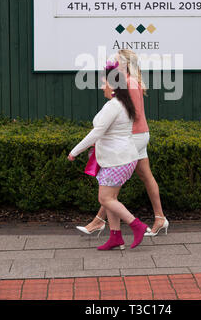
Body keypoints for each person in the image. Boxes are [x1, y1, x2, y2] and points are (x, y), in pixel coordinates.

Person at [76, 50, 168, 237]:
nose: (112, 61)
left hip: (133, 136)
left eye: (116, 60)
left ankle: (99, 222)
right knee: (145, 176)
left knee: (111, 181)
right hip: (139, 135)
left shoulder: (129, 82)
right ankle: (160, 218)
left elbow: (131, 114)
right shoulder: (130, 80)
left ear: (125, 64)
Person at [67, 61, 148, 250]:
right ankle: (115, 237)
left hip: (117, 160)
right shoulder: (123, 104)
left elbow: (97, 132)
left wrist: (74, 152)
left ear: (112, 86)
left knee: (105, 199)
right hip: (121, 159)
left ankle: (137, 225)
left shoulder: (113, 106)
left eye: (104, 82)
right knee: (111, 199)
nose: (102, 86)